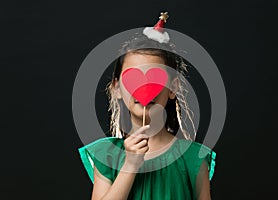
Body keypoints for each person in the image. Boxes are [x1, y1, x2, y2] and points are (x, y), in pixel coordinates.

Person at [78, 12, 216, 200]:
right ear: (117, 89)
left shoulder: (194, 157)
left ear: (172, 88)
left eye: (155, 78)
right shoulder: (108, 155)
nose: (144, 89)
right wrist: (130, 166)